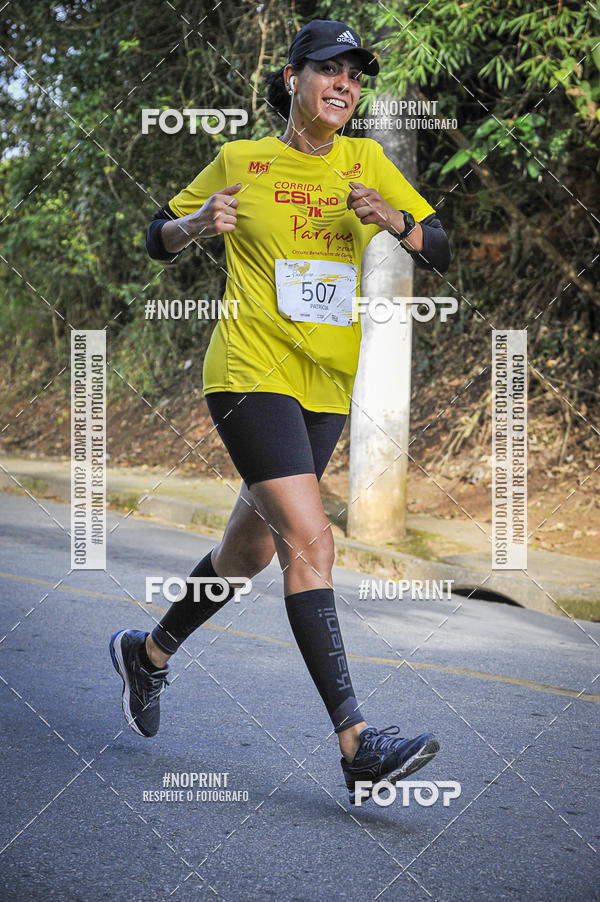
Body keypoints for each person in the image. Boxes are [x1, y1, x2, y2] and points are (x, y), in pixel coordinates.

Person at [110, 18, 451, 805]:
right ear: (293, 78)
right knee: (310, 538)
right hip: (248, 374)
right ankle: (358, 744)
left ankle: (148, 654)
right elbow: (154, 235)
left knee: (251, 553)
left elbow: (442, 244)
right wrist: (196, 225)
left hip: (327, 384)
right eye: (330, 71)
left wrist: (396, 222)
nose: (345, 86)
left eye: (356, 77)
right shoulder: (243, 160)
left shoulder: (367, 163)